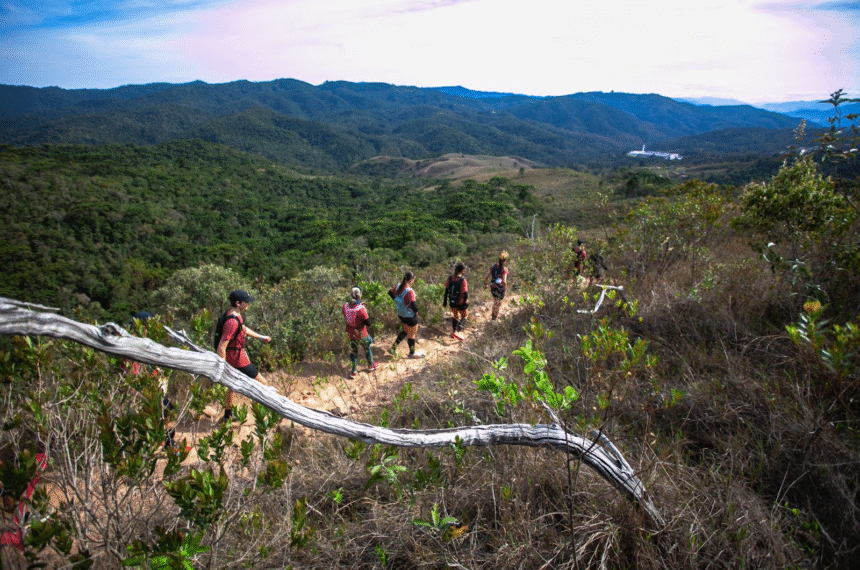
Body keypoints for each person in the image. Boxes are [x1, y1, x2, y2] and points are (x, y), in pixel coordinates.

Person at [215, 289, 272, 423]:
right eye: (246, 301)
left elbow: (243, 329)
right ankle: (264, 414)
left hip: (234, 357)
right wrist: (222, 366)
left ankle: (227, 415)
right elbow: (222, 345)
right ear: (238, 303)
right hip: (237, 359)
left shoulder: (232, 315)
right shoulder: (232, 322)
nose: (248, 304)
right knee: (263, 383)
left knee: (231, 386)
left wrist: (260, 337)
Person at [343, 286, 378, 378]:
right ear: (359, 295)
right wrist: (364, 309)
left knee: (354, 352)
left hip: (351, 334)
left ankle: (353, 371)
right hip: (362, 334)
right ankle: (371, 365)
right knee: (367, 348)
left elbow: (347, 314)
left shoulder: (345, 306)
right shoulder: (361, 309)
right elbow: (368, 323)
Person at [389, 271, 423, 358]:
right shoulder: (409, 291)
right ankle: (412, 353)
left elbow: (390, 292)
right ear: (411, 280)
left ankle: (393, 348)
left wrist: (398, 300)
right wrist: (417, 312)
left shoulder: (398, 286)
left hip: (401, 314)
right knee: (412, 334)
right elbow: (413, 304)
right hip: (409, 315)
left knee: (405, 330)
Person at [443, 262, 469, 341]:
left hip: (452, 301)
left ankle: (454, 331)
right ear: (463, 271)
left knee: (455, 316)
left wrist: (445, 301)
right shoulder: (463, 280)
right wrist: (465, 300)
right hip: (460, 302)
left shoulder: (450, 278)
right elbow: (465, 292)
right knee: (465, 316)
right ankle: (457, 332)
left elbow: (446, 290)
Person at [485, 251, 509, 320]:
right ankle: (494, 318)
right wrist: (505, 288)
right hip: (500, 288)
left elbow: (486, 277)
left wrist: (486, 284)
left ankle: (493, 316)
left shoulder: (492, 267)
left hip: (493, 286)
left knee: (495, 301)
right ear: (505, 261)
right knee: (498, 303)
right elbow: (504, 281)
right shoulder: (505, 269)